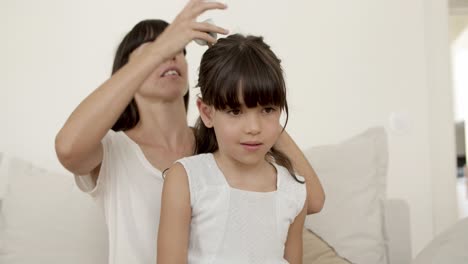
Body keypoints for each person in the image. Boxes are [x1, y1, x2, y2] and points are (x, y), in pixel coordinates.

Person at [55, 0, 323, 263]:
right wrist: (161, 48)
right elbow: (67, 148)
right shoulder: (115, 151)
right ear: (129, 72)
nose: (171, 54)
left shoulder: (225, 147)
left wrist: (242, 82)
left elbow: (307, 199)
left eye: (178, 50)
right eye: (154, 50)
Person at [157, 34, 307, 264]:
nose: (254, 128)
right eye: (236, 112)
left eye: (267, 110)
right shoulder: (188, 179)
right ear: (207, 113)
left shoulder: (293, 190)